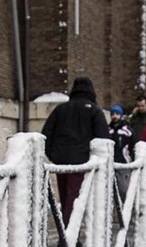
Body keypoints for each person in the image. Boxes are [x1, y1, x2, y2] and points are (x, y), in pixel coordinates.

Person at [42, 77, 110, 222]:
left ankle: (66, 229)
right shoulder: (94, 111)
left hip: (61, 159)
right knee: (74, 197)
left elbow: (46, 134)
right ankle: (69, 231)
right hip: (82, 160)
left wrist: (53, 155)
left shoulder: (61, 109)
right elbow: (103, 139)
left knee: (65, 196)